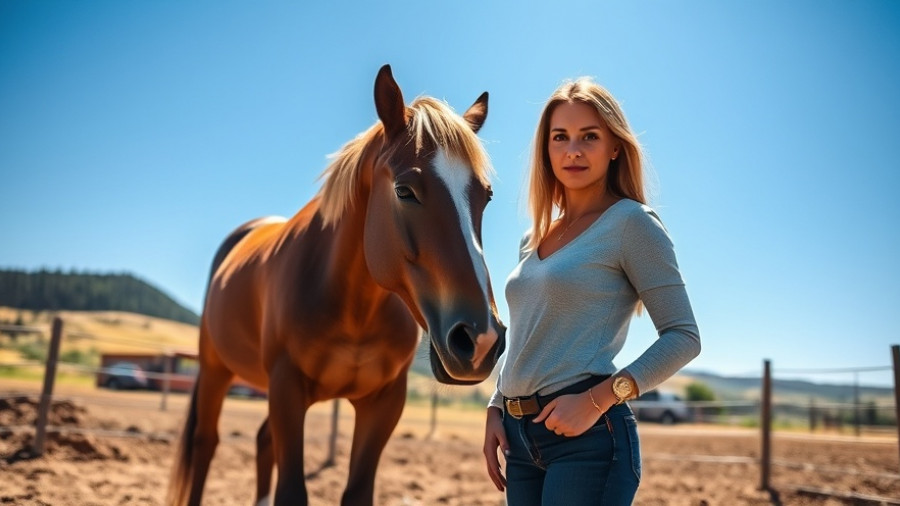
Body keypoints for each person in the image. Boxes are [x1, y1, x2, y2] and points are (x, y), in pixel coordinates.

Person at [482, 77, 701, 505]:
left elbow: (684, 336)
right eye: (560, 137)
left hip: (588, 440)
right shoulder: (533, 236)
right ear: (546, 148)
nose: (573, 150)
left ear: (614, 146)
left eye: (589, 137)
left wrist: (599, 400)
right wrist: (496, 405)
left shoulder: (632, 224)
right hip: (519, 440)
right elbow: (528, 335)